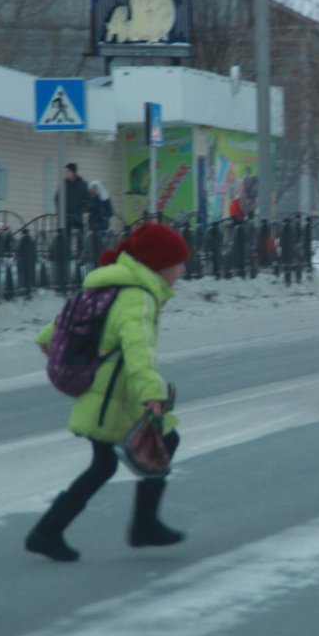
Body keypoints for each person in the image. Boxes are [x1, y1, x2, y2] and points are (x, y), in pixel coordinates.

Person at [25, 222, 190, 562]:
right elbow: (138, 349)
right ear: (159, 265)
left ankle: (59, 530)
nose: (182, 270)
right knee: (124, 458)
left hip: (106, 392)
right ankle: (52, 531)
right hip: (113, 398)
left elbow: (70, 320)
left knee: (118, 459)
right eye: (178, 263)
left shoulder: (112, 284)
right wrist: (152, 395)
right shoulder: (138, 297)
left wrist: (48, 340)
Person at [56, 163, 91, 232]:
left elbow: (89, 200)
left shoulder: (82, 185)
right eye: (65, 171)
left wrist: (81, 211)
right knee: (63, 239)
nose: (66, 173)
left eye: (68, 171)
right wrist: (60, 211)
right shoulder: (64, 184)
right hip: (65, 219)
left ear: (73, 172)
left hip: (77, 218)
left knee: (79, 238)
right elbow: (57, 198)